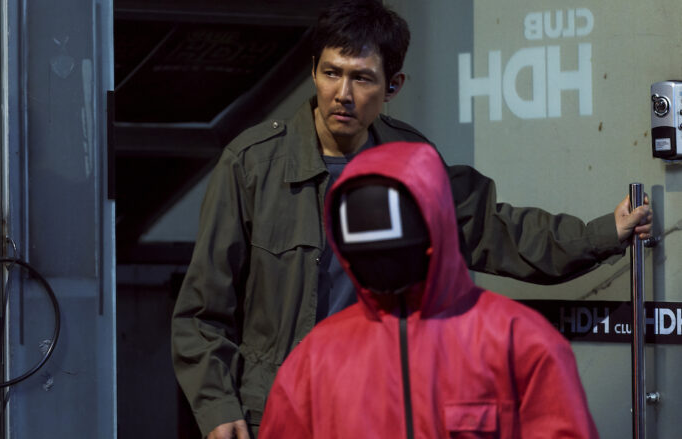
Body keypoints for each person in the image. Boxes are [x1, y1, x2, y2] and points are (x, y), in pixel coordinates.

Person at [171, 1, 651, 438]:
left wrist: (602, 233)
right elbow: (201, 310)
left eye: (362, 78)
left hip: (389, 401)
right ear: (313, 70)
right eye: (331, 73)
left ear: (393, 86)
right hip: (284, 408)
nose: (342, 94)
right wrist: (218, 407)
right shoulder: (252, 164)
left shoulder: (411, 159)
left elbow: (493, 229)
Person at [257, 141, 600, 439]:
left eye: (392, 246)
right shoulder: (316, 358)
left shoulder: (519, 342)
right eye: (365, 250)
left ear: (435, 222)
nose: (380, 260)